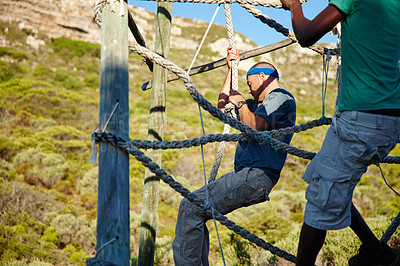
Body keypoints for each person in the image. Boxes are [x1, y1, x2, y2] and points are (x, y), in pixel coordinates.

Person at [280, 0, 400, 265]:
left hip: (361, 120)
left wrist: (294, 6)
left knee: (320, 200)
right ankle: (374, 250)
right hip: (390, 120)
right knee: (324, 182)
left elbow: (306, 35)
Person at [172, 46, 296, 265]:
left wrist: (239, 102)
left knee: (190, 208)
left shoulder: (280, 97)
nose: (248, 91)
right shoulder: (253, 105)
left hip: (257, 174)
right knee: (195, 212)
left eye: (249, 84)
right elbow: (222, 107)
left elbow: (256, 127)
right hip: (251, 175)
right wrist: (232, 69)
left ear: (262, 76)